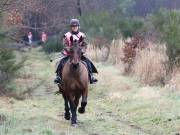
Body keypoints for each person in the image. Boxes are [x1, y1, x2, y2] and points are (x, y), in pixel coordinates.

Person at [54, 19, 98, 84]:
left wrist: (82, 51)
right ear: (71, 27)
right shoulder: (66, 35)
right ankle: (58, 77)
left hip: (79, 54)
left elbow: (85, 45)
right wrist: (70, 50)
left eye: (76, 26)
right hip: (69, 54)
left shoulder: (82, 35)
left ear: (78, 27)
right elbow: (65, 45)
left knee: (88, 62)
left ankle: (91, 76)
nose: (74, 28)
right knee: (61, 62)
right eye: (73, 26)